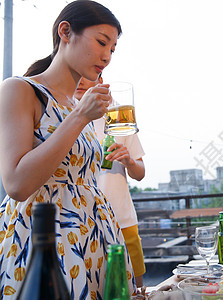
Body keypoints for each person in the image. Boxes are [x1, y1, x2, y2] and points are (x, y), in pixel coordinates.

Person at [0, 1, 136, 297]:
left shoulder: (78, 106)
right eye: (101, 42)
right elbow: (16, 184)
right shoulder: (20, 89)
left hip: (94, 236)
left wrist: (80, 113)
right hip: (46, 240)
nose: (106, 56)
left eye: (112, 49)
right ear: (65, 31)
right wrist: (79, 117)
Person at [74, 76, 147, 288]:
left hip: (122, 218)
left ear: (101, 80)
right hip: (82, 221)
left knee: (135, 288)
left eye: (86, 78)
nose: (80, 82)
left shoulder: (117, 113)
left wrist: (129, 161)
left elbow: (140, 173)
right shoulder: (63, 114)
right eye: (75, 76)